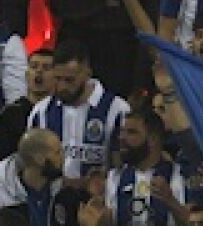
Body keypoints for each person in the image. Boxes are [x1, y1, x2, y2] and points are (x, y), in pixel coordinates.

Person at [26, 39, 130, 180]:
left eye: (69, 80)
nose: (62, 87)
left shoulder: (117, 110)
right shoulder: (41, 113)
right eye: (57, 78)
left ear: (87, 73)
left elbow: (123, 167)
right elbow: (32, 167)